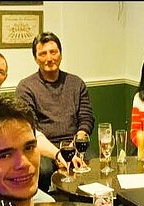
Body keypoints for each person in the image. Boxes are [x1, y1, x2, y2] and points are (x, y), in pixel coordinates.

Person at [0, 49, 73, 186]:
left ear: (5, 77)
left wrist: (59, 154)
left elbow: (32, 134)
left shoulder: (3, 107)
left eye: (0, 72)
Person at [16, 32, 94, 191]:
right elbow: (31, 129)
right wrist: (58, 154)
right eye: (43, 54)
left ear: (61, 54)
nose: (49, 58)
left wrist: (77, 145)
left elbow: (86, 118)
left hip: (74, 144)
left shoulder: (76, 83)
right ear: (36, 58)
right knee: (43, 171)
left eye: (53, 52)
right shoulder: (26, 87)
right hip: (43, 146)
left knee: (93, 164)